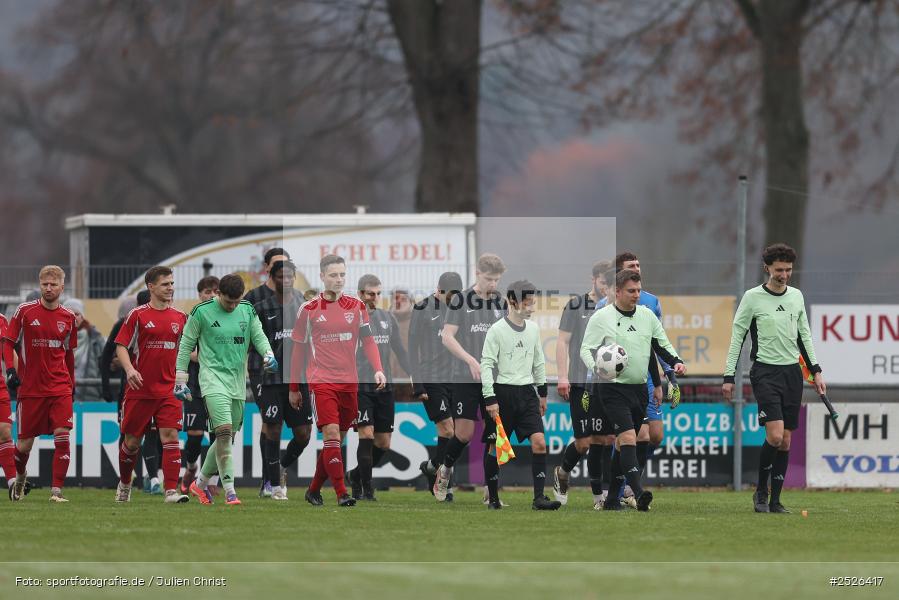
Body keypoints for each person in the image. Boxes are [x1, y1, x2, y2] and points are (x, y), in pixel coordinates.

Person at [723, 243, 825, 514]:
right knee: (776, 435)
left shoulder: (796, 297)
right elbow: (737, 338)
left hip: (792, 373)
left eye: (788, 269)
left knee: (787, 440)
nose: (784, 274)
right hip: (765, 372)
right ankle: (760, 492)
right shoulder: (752, 298)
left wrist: (816, 370)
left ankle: (776, 500)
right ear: (767, 268)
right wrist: (728, 376)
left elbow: (804, 336)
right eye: (779, 269)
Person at [580, 269, 687, 512]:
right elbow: (586, 349)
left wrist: (676, 362)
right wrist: (597, 368)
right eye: (631, 291)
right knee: (628, 438)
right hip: (612, 389)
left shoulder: (647, 316)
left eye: (638, 290)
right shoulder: (601, 317)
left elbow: (661, 345)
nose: (636, 295)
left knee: (623, 445)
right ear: (617, 292)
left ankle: (611, 501)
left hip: (639, 390)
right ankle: (638, 493)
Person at [287, 254, 385, 507]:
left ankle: (313, 490)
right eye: (333, 275)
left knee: (336, 439)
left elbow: (368, 341)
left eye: (342, 274)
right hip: (321, 381)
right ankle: (342, 493)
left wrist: (378, 368)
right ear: (322, 276)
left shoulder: (357, 306)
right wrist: (294, 387)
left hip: (349, 382)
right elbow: (297, 351)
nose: (339, 279)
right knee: (330, 434)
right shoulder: (308, 309)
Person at [176, 273, 277, 506]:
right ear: (219, 294)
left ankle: (199, 484)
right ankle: (231, 491)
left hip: (237, 383)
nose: (232, 306)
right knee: (223, 431)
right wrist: (180, 379)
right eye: (228, 301)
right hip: (211, 379)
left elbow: (258, 335)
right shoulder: (201, 312)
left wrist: (268, 354)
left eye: (235, 301)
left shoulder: (247, 310)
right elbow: (185, 346)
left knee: (227, 437)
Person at [433, 253, 508, 507]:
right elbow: (447, 337)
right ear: (477, 273)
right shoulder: (461, 300)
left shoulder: (500, 301)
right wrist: (470, 360)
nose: (493, 285)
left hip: (494, 379)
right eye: (489, 279)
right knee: (464, 434)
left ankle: (491, 492)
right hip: (465, 377)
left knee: (493, 436)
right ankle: (444, 471)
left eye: (497, 280)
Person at [480, 280, 560, 511]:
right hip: (502, 394)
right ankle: (493, 499)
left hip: (527, 395)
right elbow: (486, 365)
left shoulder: (533, 329)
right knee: (495, 448)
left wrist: (542, 393)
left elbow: (538, 362)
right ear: (513, 301)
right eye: (527, 302)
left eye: (533, 302)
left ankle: (538, 499)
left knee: (540, 443)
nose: (532, 307)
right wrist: (490, 398)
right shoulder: (496, 330)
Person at [113, 266, 189, 504]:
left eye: (172, 283)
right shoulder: (137, 315)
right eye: (165, 284)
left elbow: (188, 350)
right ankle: (125, 484)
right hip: (140, 390)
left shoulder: (180, 317)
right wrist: (130, 369)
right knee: (132, 442)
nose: (170, 288)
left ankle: (170, 491)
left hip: (169, 390)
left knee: (170, 437)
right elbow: (121, 346)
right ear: (151, 287)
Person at [3, 266, 78, 502]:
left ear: (62, 287)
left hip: (59, 386)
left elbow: (69, 355)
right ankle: (21, 476)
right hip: (31, 389)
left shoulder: (68, 317)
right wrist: (11, 370)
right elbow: (7, 343)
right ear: (39, 284)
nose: (48, 288)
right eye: (44, 284)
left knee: (62, 435)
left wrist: (71, 385)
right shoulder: (24, 311)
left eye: (53, 284)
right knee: (24, 446)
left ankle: (56, 491)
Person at [553, 261, 616, 509]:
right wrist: (562, 376)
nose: (606, 288)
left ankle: (598, 497)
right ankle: (562, 472)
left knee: (602, 440)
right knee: (584, 443)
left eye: (609, 284)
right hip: (581, 382)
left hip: (606, 384)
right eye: (603, 283)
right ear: (594, 280)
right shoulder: (576, 305)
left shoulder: (615, 309)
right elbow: (562, 342)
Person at [346, 274, 413, 501]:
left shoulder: (387, 318)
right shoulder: (350, 320)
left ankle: (355, 475)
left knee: (383, 443)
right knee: (366, 434)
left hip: (385, 387)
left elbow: (401, 351)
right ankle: (367, 489)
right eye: (370, 294)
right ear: (360, 294)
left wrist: (414, 374)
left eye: (377, 294)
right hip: (361, 386)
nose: (374, 298)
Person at [253, 261, 312, 501]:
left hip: (300, 378)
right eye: (280, 277)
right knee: (273, 428)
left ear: (295, 277)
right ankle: (274, 485)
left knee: (303, 434)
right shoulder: (260, 308)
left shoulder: (305, 307)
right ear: (272, 277)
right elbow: (251, 343)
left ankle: (280, 467)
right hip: (271, 379)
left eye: (289, 277)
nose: (285, 281)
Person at [410, 271, 463, 500]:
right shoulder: (422, 309)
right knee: (448, 429)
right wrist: (417, 384)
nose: (453, 299)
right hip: (431, 378)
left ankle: (432, 467)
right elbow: (413, 348)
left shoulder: (462, 309)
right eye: (450, 295)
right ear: (439, 290)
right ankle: (445, 484)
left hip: (457, 378)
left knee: (454, 434)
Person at [244, 247, 291, 497]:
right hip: (262, 371)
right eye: (277, 265)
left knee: (291, 430)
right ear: (267, 268)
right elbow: (243, 331)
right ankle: (269, 481)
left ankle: (271, 476)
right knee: (273, 423)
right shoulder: (254, 297)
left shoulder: (295, 298)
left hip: (292, 371)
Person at [179, 276, 220, 495]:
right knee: (194, 434)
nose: (211, 295)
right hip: (195, 387)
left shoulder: (228, 318)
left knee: (217, 435)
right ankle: (191, 466)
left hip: (219, 386)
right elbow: (187, 352)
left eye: (215, 291)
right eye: (207, 291)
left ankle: (211, 480)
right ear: (199, 295)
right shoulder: (191, 318)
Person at [64, 298, 106, 403]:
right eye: (69, 314)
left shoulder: (95, 339)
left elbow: (103, 368)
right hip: (61, 397)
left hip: (90, 400)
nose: (73, 318)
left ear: (82, 317)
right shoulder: (55, 338)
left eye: (77, 314)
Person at [1, 311, 23, 499]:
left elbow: (7, 350)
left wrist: (18, 374)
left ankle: (12, 484)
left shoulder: (1, 321)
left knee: (5, 431)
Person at [388, 285, 414, 402]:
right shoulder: (381, 322)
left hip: (411, 384)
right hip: (387, 384)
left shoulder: (419, 323)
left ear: (411, 302)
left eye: (403, 299)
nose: (399, 302)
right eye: (396, 299)